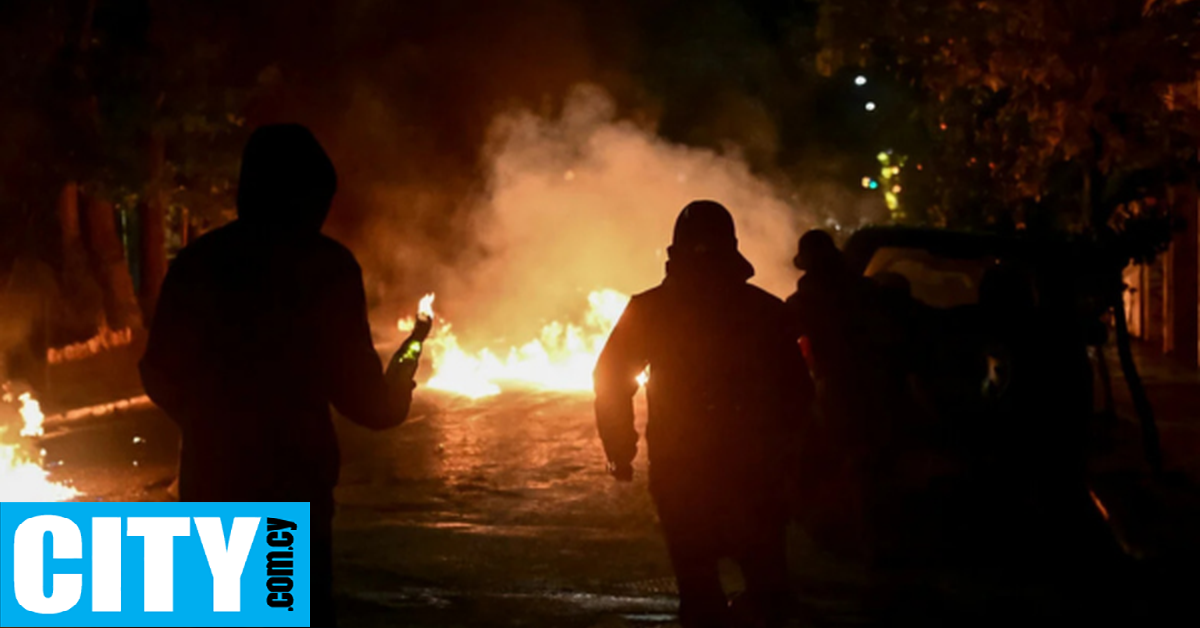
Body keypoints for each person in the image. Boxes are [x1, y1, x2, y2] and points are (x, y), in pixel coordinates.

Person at [140, 124, 419, 627]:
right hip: (293, 490)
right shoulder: (326, 268)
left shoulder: (198, 262)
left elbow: (157, 371)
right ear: (307, 197)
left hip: (212, 487)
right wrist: (406, 365)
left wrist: (204, 424)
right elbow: (370, 405)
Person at [594, 200, 813, 628]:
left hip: (683, 472)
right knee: (769, 590)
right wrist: (794, 457)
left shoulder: (651, 308)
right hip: (754, 471)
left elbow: (610, 378)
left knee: (699, 594)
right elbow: (798, 394)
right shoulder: (766, 311)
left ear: (675, 249)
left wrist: (622, 450)